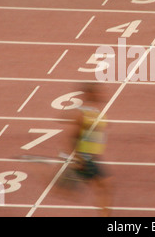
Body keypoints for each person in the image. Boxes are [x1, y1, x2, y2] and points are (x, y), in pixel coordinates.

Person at [57, 83, 112, 216]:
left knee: (102, 187)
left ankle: (63, 183)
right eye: (97, 93)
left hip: (90, 156)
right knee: (105, 186)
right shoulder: (84, 114)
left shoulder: (94, 111)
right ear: (90, 95)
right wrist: (78, 158)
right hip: (85, 156)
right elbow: (72, 137)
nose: (101, 95)